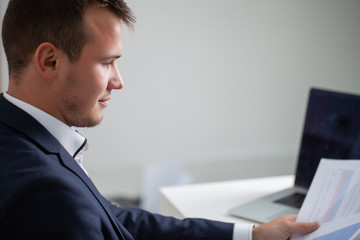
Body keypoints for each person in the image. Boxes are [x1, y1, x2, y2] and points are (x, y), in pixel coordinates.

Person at [0, 0, 319, 239]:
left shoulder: (14, 133)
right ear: (50, 61)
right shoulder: (46, 191)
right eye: (107, 62)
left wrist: (250, 235)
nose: (118, 81)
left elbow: (111, 218)